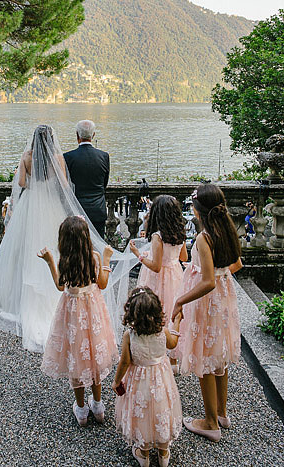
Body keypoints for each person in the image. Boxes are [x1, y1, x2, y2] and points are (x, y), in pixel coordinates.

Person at [0, 125, 135, 353]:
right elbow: (64, 185)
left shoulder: (26, 156)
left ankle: (21, 296)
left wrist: (34, 183)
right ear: (52, 140)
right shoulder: (57, 158)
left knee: (25, 248)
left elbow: (21, 183)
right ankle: (58, 289)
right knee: (57, 244)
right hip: (51, 203)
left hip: (31, 204)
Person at [171, 183, 243, 442]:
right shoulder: (227, 229)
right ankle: (222, 413)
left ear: (198, 211)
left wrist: (181, 299)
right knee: (219, 356)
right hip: (224, 300)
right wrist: (219, 275)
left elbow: (208, 281)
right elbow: (236, 264)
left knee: (204, 358)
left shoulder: (204, 237)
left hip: (208, 302)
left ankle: (210, 423)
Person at [38, 216, 117, 426]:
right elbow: (102, 283)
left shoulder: (65, 260)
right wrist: (107, 258)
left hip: (73, 315)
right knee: (93, 356)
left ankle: (81, 409)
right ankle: (98, 405)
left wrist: (49, 262)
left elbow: (59, 285)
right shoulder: (94, 257)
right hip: (92, 313)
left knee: (77, 358)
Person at [113, 287, 182, 467]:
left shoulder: (130, 336)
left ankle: (143, 454)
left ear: (132, 313)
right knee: (161, 408)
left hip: (139, 381)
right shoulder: (162, 331)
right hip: (161, 378)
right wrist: (177, 322)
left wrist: (116, 380)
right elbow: (173, 343)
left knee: (141, 412)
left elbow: (125, 362)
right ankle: (163, 452)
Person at [129, 195, 189, 334]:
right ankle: (171, 337)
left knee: (156, 306)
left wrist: (138, 254)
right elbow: (183, 256)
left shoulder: (158, 236)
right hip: (175, 273)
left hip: (159, 277)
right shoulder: (180, 232)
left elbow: (156, 267)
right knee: (171, 304)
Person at [63, 120, 110, 238]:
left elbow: (66, 184)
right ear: (93, 135)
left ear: (77, 135)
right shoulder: (104, 156)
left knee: (76, 246)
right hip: (98, 210)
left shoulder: (68, 157)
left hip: (76, 210)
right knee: (98, 246)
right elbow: (104, 183)